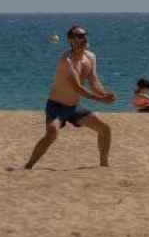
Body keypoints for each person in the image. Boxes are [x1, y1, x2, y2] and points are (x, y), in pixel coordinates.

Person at [23, 25, 116, 169]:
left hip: (73, 108)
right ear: (71, 40)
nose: (84, 38)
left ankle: (104, 166)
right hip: (56, 106)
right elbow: (77, 88)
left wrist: (104, 94)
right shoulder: (67, 60)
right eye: (79, 36)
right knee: (52, 134)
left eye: (85, 35)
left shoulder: (90, 57)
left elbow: (93, 80)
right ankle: (28, 166)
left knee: (105, 129)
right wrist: (101, 100)